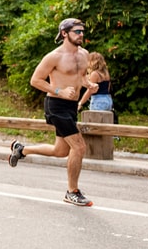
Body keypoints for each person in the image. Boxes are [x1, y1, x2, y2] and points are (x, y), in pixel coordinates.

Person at [9, 18, 99, 207]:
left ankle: (22, 150)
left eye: (82, 31)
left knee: (60, 151)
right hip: (56, 105)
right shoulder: (54, 56)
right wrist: (60, 91)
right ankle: (72, 192)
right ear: (65, 34)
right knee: (79, 147)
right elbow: (35, 80)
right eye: (77, 31)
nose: (81, 34)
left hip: (71, 107)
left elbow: (80, 76)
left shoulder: (84, 54)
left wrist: (88, 84)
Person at [78, 52, 116, 123]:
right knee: (106, 123)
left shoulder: (95, 74)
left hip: (98, 100)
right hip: (108, 99)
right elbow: (107, 87)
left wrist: (81, 103)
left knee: (95, 123)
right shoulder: (105, 72)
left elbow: (90, 90)